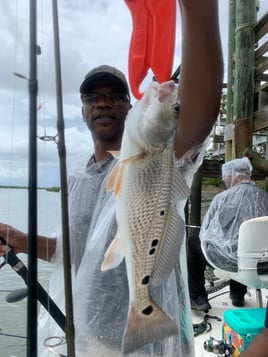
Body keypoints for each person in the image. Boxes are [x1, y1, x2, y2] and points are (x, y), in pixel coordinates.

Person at [0, 1, 223, 356]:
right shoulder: (77, 176)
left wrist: (198, 10)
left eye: (115, 96)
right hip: (89, 335)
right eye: (93, 97)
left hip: (153, 340)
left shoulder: (162, 154)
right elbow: (78, 252)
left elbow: (199, 114)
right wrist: (22, 240)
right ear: (84, 110)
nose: (103, 103)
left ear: (131, 107)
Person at [188, 157, 268, 312]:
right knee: (244, 246)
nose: (224, 181)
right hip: (263, 263)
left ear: (233, 176)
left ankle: (198, 297)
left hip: (233, 263)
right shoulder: (265, 196)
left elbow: (207, 232)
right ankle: (237, 294)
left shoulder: (222, 199)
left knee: (194, 241)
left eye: (225, 178)